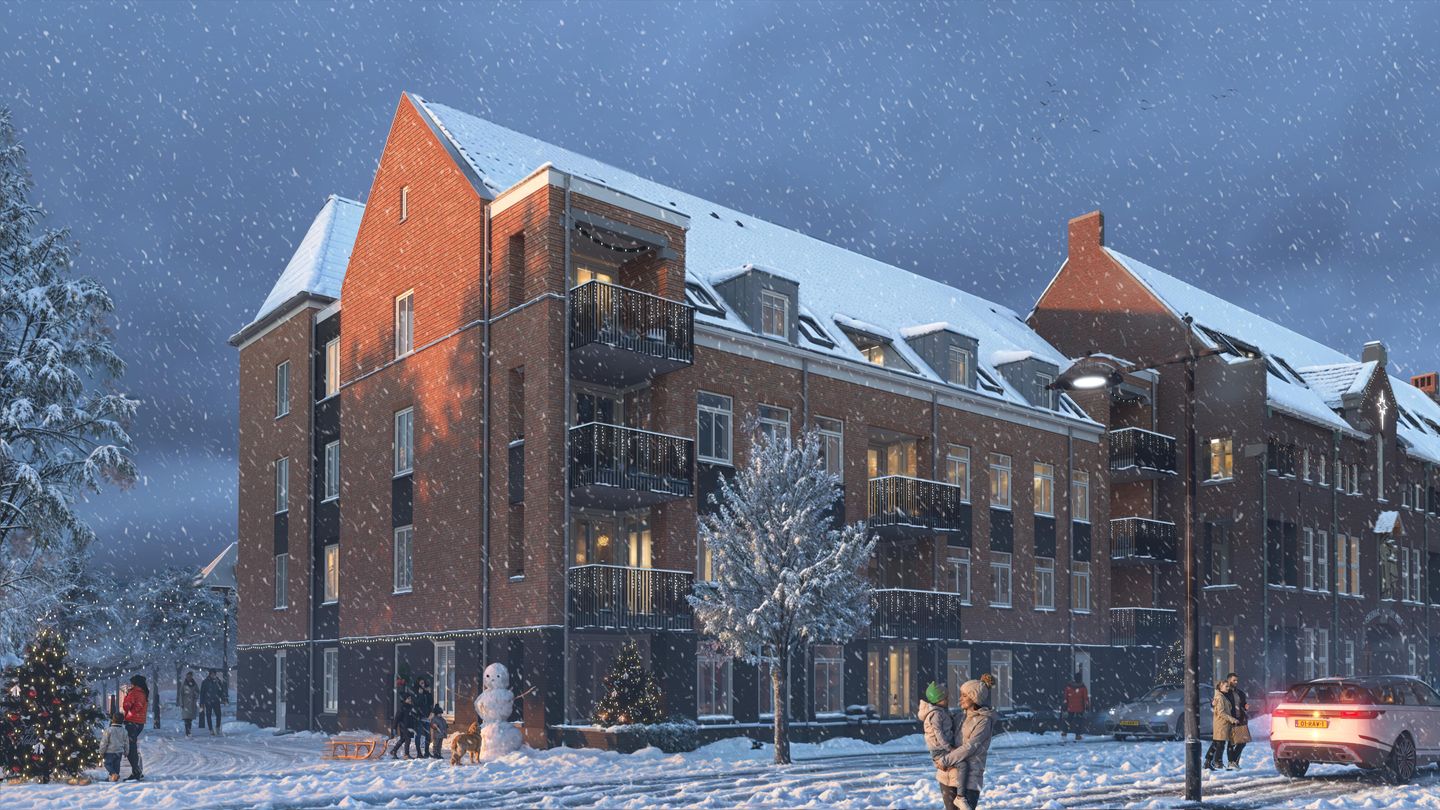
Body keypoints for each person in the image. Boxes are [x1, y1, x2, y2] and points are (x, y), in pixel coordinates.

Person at [939, 675, 999, 810]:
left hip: (970, 777)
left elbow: (970, 747)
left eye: (964, 695)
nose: (960, 699)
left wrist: (945, 760)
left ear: (974, 697)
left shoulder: (984, 721)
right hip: (948, 774)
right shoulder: (959, 717)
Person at [918, 681, 966, 810]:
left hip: (942, 749)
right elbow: (939, 734)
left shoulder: (941, 711)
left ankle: (959, 797)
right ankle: (960, 797)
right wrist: (950, 748)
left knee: (960, 766)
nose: (948, 700)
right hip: (941, 750)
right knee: (962, 765)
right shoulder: (936, 714)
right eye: (945, 698)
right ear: (937, 700)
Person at [1206, 678, 1240, 771]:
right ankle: (1217, 762)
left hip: (1221, 724)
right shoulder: (1220, 697)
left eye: (1228, 686)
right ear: (1220, 687)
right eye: (1226, 686)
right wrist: (1232, 719)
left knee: (1217, 744)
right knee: (1219, 744)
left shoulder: (1221, 696)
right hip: (1221, 724)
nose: (1228, 688)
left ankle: (1209, 762)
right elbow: (1221, 712)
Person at [121, 674, 149, 781]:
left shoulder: (134, 693)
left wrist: (126, 696)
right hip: (139, 722)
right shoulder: (143, 692)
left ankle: (136, 771)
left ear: (135, 683)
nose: (130, 685)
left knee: (130, 748)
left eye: (131, 683)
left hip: (132, 722)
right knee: (132, 746)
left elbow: (126, 706)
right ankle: (136, 770)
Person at [1226, 673, 1250, 769]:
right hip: (1230, 719)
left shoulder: (1240, 693)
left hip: (1240, 720)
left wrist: (1245, 706)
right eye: (1234, 680)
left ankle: (1233, 762)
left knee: (1242, 742)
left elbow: (1243, 704)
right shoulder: (1225, 692)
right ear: (1228, 680)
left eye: (1236, 680)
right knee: (1232, 742)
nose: (1236, 682)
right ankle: (1231, 762)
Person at [99, 713, 128, 782]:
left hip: (109, 751)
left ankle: (113, 774)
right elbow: (126, 742)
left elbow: (104, 742)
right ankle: (116, 775)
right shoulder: (124, 731)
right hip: (119, 751)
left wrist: (101, 751)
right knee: (117, 765)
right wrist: (126, 751)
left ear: (112, 720)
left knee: (107, 764)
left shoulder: (108, 730)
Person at [1062, 671, 1089, 742]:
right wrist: (1087, 706)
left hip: (1070, 707)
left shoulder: (1069, 686)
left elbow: (1065, 697)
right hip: (1080, 707)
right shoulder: (1082, 687)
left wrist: (1065, 705)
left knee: (1068, 720)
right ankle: (1077, 735)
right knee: (1078, 722)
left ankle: (1064, 732)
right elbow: (1085, 698)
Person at [412, 677, 434, 759]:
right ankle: (419, 753)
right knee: (418, 735)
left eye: (423, 683)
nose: (423, 685)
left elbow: (431, 703)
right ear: (418, 684)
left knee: (428, 735)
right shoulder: (415, 692)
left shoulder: (426, 692)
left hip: (426, 716)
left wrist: (429, 693)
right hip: (419, 717)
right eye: (421, 683)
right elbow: (417, 703)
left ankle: (427, 752)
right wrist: (420, 694)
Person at [391, 694, 417, 759]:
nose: (410, 700)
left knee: (403, 739)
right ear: (405, 700)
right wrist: (394, 727)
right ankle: (406, 755)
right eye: (408, 698)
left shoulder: (410, 707)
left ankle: (394, 751)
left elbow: (412, 716)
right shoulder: (402, 708)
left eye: (410, 698)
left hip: (409, 726)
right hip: (404, 726)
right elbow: (397, 718)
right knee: (408, 739)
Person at [201, 671, 224, 735]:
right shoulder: (205, 682)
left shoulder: (218, 681)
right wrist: (202, 702)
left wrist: (221, 697)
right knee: (208, 715)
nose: (213, 675)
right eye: (212, 674)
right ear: (210, 674)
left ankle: (217, 727)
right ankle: (211, 729)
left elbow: (221, 690)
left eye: (214, 674)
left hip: (216, 700)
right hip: (208, 701)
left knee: (218, 715)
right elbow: (202, 692)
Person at [180, 671, 199, 737]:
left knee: (190, 719)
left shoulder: (194, 684)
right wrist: (181, 703)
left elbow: (197, 692)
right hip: (185, 703)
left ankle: (189, 731)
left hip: (192, 703)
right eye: (188, 676)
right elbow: (181, 694)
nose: (189, 678)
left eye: (190, 676)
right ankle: (187, 731)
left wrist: (195, 695)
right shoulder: (184, 684)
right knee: (186, 718)